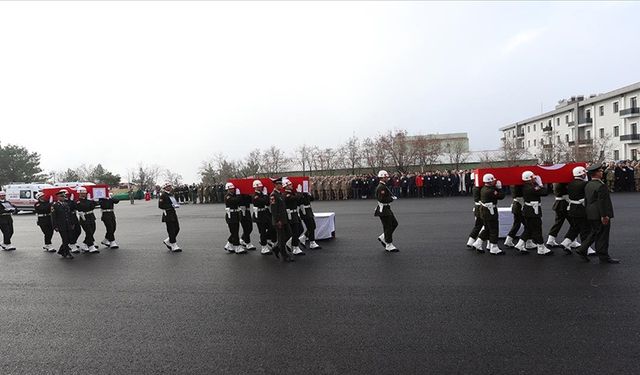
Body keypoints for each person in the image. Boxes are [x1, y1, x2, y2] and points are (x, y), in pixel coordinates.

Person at [575, 164, 620, 264]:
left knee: (595, 232)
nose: (602, 172)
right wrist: (604, 216)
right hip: (600, 214)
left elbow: (588, 200)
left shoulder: (588, 184)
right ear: (596, 173)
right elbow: (602, 202)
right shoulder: (601, 186)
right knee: (603, 236)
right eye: (600, 171)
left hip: (591, 213)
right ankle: (603, 256)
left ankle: (582, 249)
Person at [560, 166, 595, 256]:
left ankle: (566, 242)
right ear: (582, 174)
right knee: (585, 229)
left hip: (572, 208)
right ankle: (586, 248)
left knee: (575, 227)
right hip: (581, 209)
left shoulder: (570, 183)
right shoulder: (584, 184)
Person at [516, 171, 553, 256]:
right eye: (533, 177)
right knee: (537, 228)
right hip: (532, 211)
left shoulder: (527, 186)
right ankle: (541, 248)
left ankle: (520, 244)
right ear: (529, 179)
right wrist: (540, 184)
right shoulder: (531, 188)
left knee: (529, 228)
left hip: (529, 210)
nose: (535, 178)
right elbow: (545, 192)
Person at [476, 174, 505, 255]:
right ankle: (494, 247)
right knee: (493, 229)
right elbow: (501, 196)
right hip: (490, 212)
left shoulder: (484, 188)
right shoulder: (491, 191)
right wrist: (499, 188)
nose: (494, 181)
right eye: (493, 180)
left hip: (485, 211)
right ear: (490, 181)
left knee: (487, 229)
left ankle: (478, 243)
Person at [270, 177, 294, 262]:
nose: (281, 185)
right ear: (276, 185)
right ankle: (285, 256)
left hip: (284, 219)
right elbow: (273, 210)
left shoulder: (280, 194)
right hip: (279, 221)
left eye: (281, 184)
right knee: (281, 237)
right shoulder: (273, 195)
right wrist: (278, 221)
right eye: (279, 184)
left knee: (289, 234)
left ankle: (276, 248)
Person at [374, 170, 399, 252]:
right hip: (383, 210)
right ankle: (388, 244)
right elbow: (381, 199)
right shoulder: (381, 187)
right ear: (382, 177)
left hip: (386, 209)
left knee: (394, 223)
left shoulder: (383, 186)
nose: (387, 178)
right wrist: (391, 199)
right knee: (388, 226)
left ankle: (383, 237)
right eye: (386, 177)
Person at [75, 187, 100, 253]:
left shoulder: (88, 200)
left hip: (91, 216)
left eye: (84, 193)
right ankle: (91, 246)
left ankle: (85, 244)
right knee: (89, 231)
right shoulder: (77, 201)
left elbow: (93, 206)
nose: (84, 194)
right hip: (84, 218)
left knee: (93, 230)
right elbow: (83, 207)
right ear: (79, 193)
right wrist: (89, 202)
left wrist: (92, 200)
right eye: (82, 193)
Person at [283, 178, 304, 255]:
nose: (292, 185)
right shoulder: (286, 194)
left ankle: (290, 242)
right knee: (295, 231)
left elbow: (298, 201)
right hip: (290, 215)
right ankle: (295, 247)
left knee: (300, 229)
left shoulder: (292, 193)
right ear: (286, 186)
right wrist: (299, 193)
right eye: (290, 184)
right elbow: (294, 198)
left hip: (295, 214)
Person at [51, 190, 75, 259]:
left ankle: (61, 251)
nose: (64, 197)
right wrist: (55, 226)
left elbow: (70, 214)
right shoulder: (55, 205)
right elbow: (53, 217)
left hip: (68, 224)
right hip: (61, 225)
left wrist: (72, 223)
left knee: (69, 239)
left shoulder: (66, 204)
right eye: (62, 196)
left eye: (64, 196)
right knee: (65, 239)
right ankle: (67, 253)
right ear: (58, 197)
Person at [159, 183, 182, 252]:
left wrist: (176, 204)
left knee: (177, 228)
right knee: (171, 229)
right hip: (168, 214)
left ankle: (168, 240)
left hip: (173, 213)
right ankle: (173, 245)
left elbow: (173, 202)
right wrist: (171, 206)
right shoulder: (163, 195)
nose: (170, 187)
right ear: (165, 188)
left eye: (170, 186)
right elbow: (160, 206)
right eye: (168, 186)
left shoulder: (170, 194)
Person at [251, 180, 273, 255]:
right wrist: (266, 195)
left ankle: (265, 240)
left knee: (271, 227)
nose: (260, 187)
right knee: (262, 231)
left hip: (264, 213)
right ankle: (263, 247)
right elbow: (264, 201)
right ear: (255, 187)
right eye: (258, 186)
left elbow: (267, 202)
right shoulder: (255, 195)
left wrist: (265, 195)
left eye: (260, 186)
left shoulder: (261, 194)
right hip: (259, 215)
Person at [223, 182, 245, 254]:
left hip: (235, 215)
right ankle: (237, 246)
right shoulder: (228, 196)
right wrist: (238, 195)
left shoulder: (233, 195)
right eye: (231, 189)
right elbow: (236, 201)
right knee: (234, 231)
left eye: (233, 188)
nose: (233, 189)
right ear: (228, 189)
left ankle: (229, 244)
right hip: (231, 216)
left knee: (235, 231)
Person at [546, 183, 569, 248]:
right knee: (574, 224)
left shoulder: (555, 182)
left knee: (558, 222)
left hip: (559, 204)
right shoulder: (561, 183)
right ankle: (569, 240)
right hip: (564, 204)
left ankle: (551, 239)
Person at [504, 184, 524, 248]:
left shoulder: (513, 184)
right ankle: (526, 242)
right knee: (527, 225)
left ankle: (509, 240)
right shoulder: (518, 185)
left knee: (517, 224)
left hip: (516, 205)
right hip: (520, 206)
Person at [466, 183, 484, 250]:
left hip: (477, 207)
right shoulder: (480, 188)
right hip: (482, 208)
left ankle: (471, 241)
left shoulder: (475, 187)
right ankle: (481, 243)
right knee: (486, 226)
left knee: (478, 225)